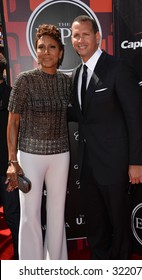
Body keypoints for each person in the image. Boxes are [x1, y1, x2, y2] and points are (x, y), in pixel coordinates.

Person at [70, 15, 142, 260]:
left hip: (115, 164)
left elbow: (135, 118)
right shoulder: (75, 74)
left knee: (119, 224)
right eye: (75, 35)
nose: (79, 40)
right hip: (87, 165)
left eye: (85, 34)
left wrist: (136, 162)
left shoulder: (117, 68)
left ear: (97, 37)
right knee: (95, 223)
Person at [6, 24, 71, 260]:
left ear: (60, 53)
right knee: (29, 215)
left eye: (51, 47)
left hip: (60, 154)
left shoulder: (66, 82)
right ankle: (31, 268)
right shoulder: (24, 80)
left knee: (56, 213)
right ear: (36, 51)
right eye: (41, 47)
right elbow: (12, 122)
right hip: (30, 155)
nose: (46, 52)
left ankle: (57, 266)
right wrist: (13, 161)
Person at [0, 53, 20, 260]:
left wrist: (14, 163)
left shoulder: (13, 94)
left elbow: (19, 130)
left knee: (13, 215)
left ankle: (19, 258)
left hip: (8, 168)